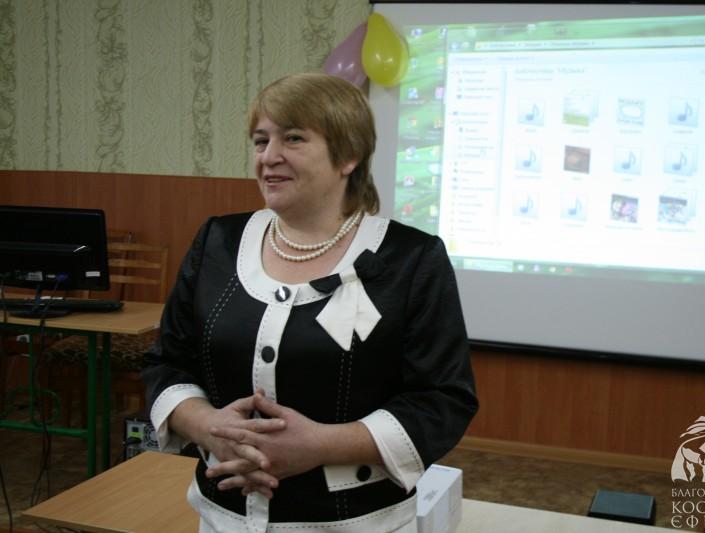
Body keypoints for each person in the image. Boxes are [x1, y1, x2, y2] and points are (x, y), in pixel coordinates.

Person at [142, 72, 479, 532]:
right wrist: (209, 427)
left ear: (348, 155)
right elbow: (167, 362)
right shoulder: (218, 241)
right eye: (261, 141)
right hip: (222, 519)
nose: (269, 156)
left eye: (293, 138)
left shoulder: (412, 259)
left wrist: (321, 445)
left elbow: (442, 400)